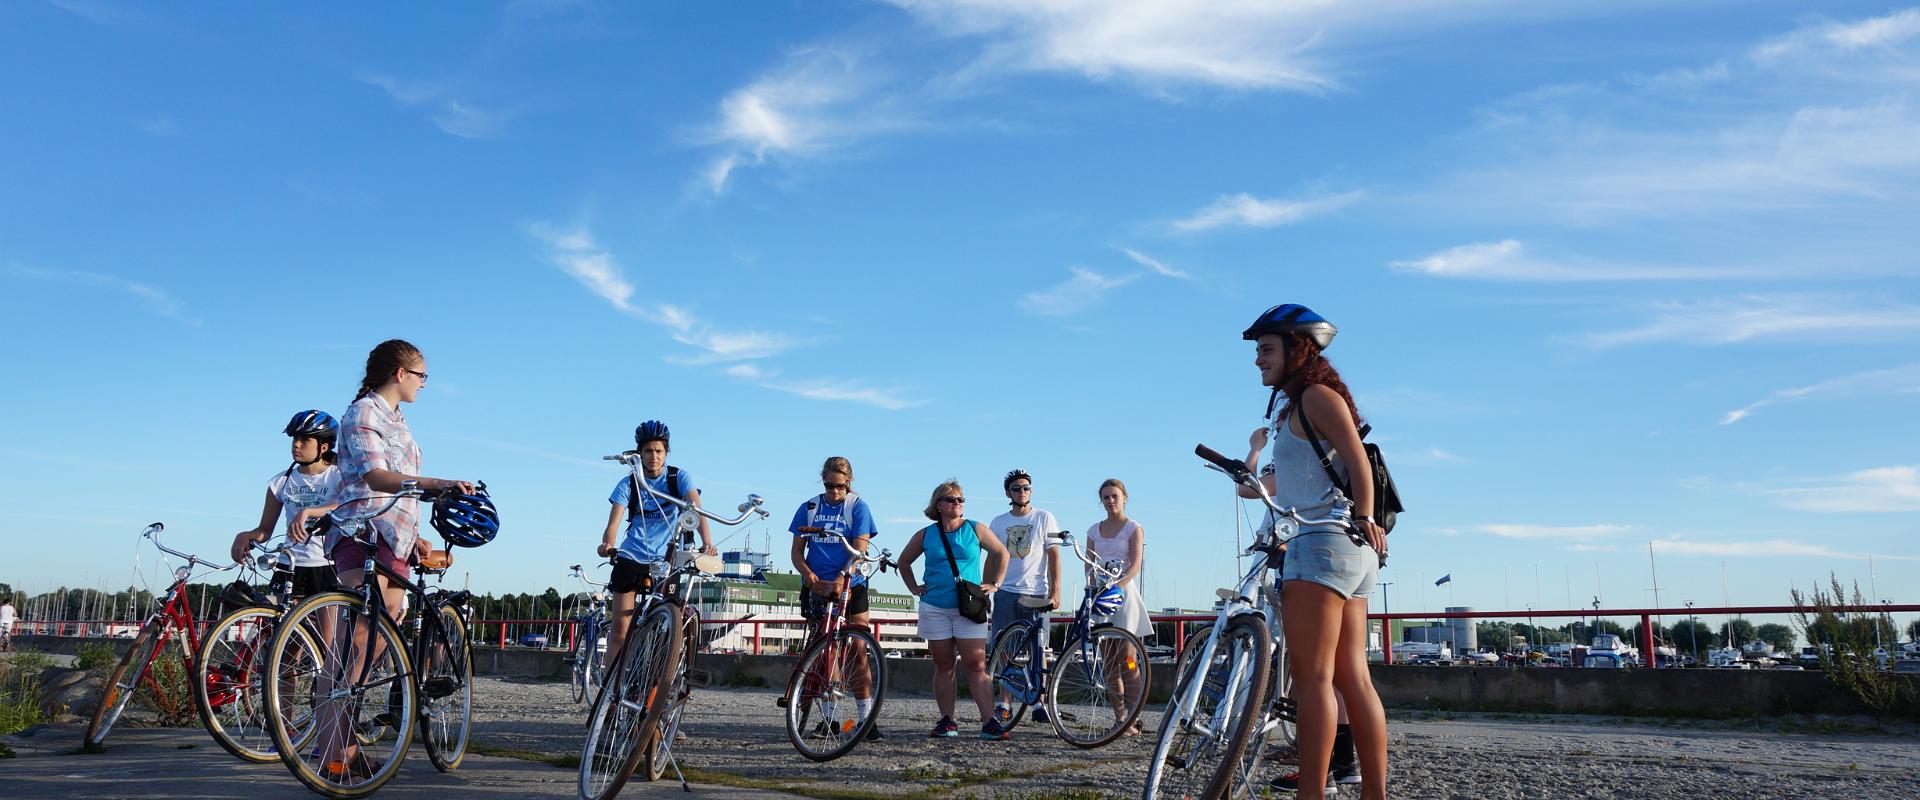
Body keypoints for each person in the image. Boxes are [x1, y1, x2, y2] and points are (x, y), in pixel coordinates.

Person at [298, 338, 477, 781]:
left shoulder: (398, 421)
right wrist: (439, 483)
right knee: (355, 643)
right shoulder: (362, 413)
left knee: (376, 638)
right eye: (421, 376)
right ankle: (333, 749)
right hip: (362, 531)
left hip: (395, 538)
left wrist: (416, 536)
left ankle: (343, 742)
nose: (423, 384)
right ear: (399, 373)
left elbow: (400, 490)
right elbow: (375, 476)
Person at [1239, 304, 1388, 800]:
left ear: (1296, 347)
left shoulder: (1318, 397)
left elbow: (1358, 462)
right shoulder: (1301, 404)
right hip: (1347, 550)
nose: (1259, 359)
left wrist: (1365, 516)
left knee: (1313, 682)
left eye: (1266, 349)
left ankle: (1312, 794)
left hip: (1321, 546)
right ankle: (1374, 794)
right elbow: (1290, 483)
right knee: (1353, 679)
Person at [896, 479, 1009, 740]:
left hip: (968, 606)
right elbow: (904, 561)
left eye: (960, 499)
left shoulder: (975, 529)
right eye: (951, 499)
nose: (957, 503)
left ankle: (989, 721)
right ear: (938, 505)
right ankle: (947, 720)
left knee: (976, 664)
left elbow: (1001, 552)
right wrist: (913, 587)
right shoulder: (926, 534)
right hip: (935, 606)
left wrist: (995, 583)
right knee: (944, 664)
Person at [598, 420, 716, 662]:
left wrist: (707, 542)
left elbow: (697, 510)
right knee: (621, 630)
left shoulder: (678, 478)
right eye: (648, 451)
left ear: (666, 453)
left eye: (659, 451)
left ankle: (655, 683)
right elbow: (614, 523)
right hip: (632, 555)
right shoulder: (630, 482)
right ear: (639, 453)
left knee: (666, 625)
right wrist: (607, 544)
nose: (654, 456)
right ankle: (610, 690)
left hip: (667, 559)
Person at [788, 456, 883, 740]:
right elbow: (796, 552)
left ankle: (867, 720)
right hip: (819, 585)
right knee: (826, 652)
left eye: (840, 487)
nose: (835, 492)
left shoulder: (858, 507)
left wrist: (845, 577)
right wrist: (807, 574)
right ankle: (828, 719)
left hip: (852, 584)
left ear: (848, 483)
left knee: (856, 650)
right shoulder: (810, 508)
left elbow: (860, 549)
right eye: (830, 486)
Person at [230, 410, 345, 598]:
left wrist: (309, 512)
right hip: (289, 563)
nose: (296, 445)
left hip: (327, 563)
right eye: (294, 439)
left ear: (323, 447)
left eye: (305, 440)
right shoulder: (280, 482)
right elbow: (265, 530)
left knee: (328, 628)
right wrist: (244, 535)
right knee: (283, 624)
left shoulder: (337, 475)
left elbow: (345, 506)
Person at [988, 469, 1061, 724]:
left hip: (1036, 591)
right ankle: (1004, 702)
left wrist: (1055, 590)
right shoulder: (998, 522)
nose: (1022, 491)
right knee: (1003, 647)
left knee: (1037, 649)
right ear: (1008, 492)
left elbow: (1053, 556)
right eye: (1017, 488)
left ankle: (1038, 702)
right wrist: (988, 586)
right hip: (1006, 590)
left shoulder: (1044, 517)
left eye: (1026, 487)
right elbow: (992, 556)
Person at [1087, 478, 1150, 733]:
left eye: (1115, 496)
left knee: (1128, 659)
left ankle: (1133, 718)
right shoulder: (1093, 530)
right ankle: (1119, 719)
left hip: (1123, 595)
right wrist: (1094, 587)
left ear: (1124, 497)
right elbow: (1089, 563)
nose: (1110, 501)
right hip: (1101, 596)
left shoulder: (1133, 528)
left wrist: (1117, 586)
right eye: (1106, 497)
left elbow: (1135, 564)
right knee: (1109, 661)